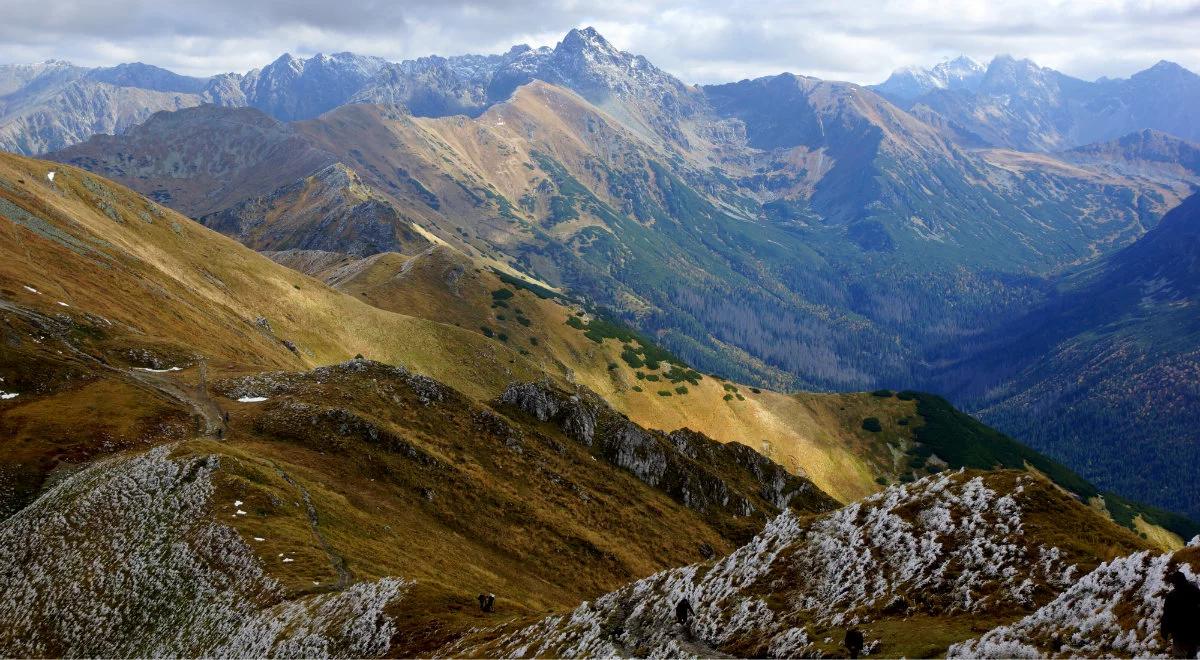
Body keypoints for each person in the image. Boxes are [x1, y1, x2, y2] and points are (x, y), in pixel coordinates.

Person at [1162, 570, 1200, 658]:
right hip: (1195, 631)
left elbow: (1167, 616)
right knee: (1192, 653)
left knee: (1179, 655)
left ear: (1174, 583)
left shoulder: (1171, 596)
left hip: (1179, 634)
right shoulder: (1195, 591)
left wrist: (1165, 631)